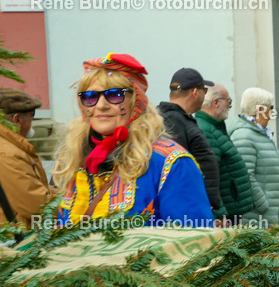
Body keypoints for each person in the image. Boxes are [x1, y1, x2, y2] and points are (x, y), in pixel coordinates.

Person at [53, 53, 213, 226]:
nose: (101, 105)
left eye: (114, 95)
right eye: (90, 96)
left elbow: (195, 242)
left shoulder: (171, 163)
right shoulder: (70, 159)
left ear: (136, 101)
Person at [195, 84, 268, 224]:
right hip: (225, 214)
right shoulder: (206, 130)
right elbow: (208, 176)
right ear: (215, 102)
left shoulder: (215, 127)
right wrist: (219, 212)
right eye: (228, 101)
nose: (230, 106)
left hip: (230, 209)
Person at [157, 68, 223, 216]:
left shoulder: (178, 119)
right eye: (203, 90)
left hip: (195, 202)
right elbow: (175, 170)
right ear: (195, 92)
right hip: (188, 207)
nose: (204, 95)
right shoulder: (172, 121)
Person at [228, 87, 279, 226]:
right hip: (256, 217)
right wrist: (262, 203)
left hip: (270, 216)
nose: (272, 113)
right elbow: (244, 176)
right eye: (270, 108)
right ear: (260, 110)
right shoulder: (244, 136)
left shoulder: (261, 133)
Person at [0, 88, 57, 226]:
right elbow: (37, 206)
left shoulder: (12, 147)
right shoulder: (7, 154)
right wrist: (75, 203)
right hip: (16, 240)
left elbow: (36, 187)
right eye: (32, 113)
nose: (33, 117)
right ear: (17, 119)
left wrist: (62, 193)